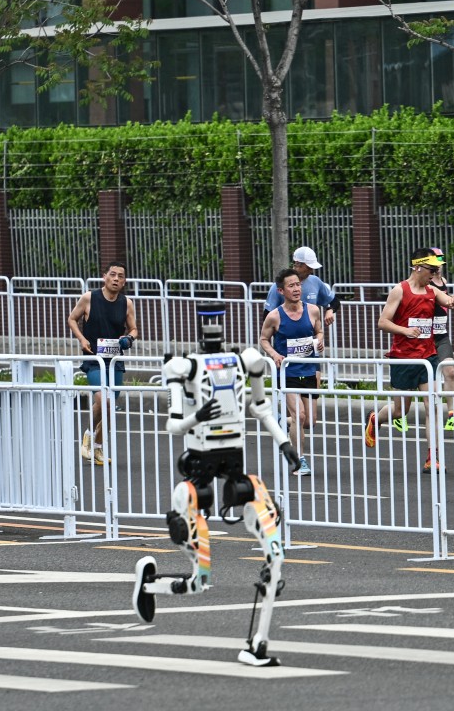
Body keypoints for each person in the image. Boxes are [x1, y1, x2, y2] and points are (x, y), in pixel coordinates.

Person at [132, 302, 300, 667]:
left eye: (217, 322)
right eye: (208, 323)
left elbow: (261, 407)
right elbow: (173, 425)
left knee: (277, 556)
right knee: (201, 578)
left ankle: (257, 645)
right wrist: (197, 416)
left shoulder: (247, 360)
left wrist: (286, 446)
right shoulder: (184, 366)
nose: (213, 330)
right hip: (199, 470)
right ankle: (149, 585)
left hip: (235, 464)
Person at [362, 248, 454, 472]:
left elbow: (447, 300)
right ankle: (375, 419)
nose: (434, 273)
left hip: (428, 357)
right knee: (400, 411)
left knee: (433, 406)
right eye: (431, 269)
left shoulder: (431, 291)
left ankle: (433, 457)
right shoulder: (399, 290)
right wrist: (405, 330)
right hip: (403, 357)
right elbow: (383, 322)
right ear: (417, 267)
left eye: (437, 269)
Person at [67, 260, 139, 467]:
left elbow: (134, 329)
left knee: (107, 406)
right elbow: (72, 319)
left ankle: (97, 447)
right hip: (94, 359)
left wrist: (130, 338)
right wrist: (81, 339)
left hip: (114, 360)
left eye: (121, 276)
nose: (116, 279)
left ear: (124, 281)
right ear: (104, 277)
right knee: (104, 400)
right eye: (113, 274)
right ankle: (89, 435)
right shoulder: (89, 298)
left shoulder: (127, 303)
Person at [258, 268, 324, 477]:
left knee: (310, 421)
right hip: (287, 373)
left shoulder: (313, 310)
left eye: (298, 284)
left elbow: (319, 331)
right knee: (299, 415)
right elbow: (263, 340)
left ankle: (280, 422)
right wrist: (274, 355)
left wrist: (320, 340)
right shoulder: (274, 316)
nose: (296, 289)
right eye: (291, 286)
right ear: (281, 290)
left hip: (309, 370)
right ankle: (300, 460)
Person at [427, 247, 454, 432]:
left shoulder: (443, 281)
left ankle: (452, 416)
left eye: (441, 260)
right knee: (419, 380)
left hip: (441, 335)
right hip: (423, 337)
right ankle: (399, 412)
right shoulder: (424, 283)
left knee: (449, 371)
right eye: (435, 261)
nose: (439, 265)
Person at [264, 246, 339, 328]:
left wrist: (330, 310)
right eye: (309, 267)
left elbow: (335, 302)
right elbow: (267, 315)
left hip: (309, 337)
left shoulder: (315, 281)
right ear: (297, 264)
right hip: (286, 337)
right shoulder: (279, 285)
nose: (311, 271)